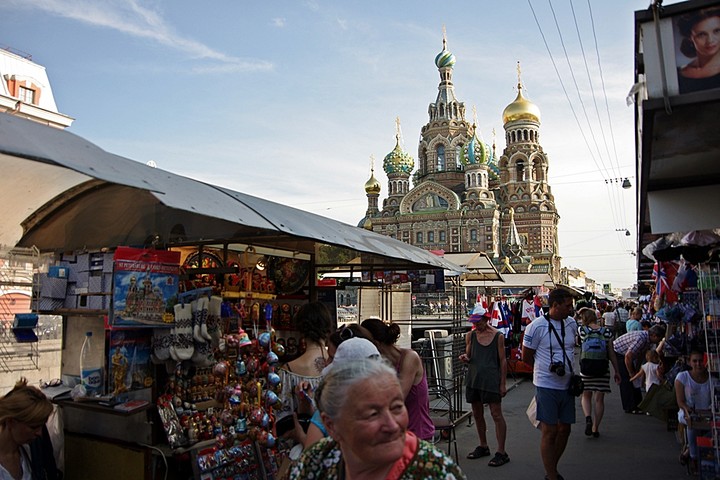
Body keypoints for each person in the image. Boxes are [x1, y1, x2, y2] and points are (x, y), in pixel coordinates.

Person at [289, 358, 466, 480]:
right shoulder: (318, 459)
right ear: (332, 426)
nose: (392, 425)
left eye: (397, 408)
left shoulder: (436, 471)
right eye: (372, 414)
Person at [521, 288, 577, 480]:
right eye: (568, 306)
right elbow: (526, 356)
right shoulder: (536, 326)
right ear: (555, 305)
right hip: (546, 385)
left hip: (568, 385)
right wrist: (545, 367)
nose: (571, 309)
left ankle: (551, 466)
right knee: (550, 430)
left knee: (565, 429)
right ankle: (552, 474)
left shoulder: (571, 324)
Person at [361, 318, 435, 441]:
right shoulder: (379, 363)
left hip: (417, 435)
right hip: (394, 435)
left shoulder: (410, 358)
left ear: (376, 344)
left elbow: (398, 397)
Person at [459, 303, 509, 466]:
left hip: (491, 381)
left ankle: (501, 451)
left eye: (478, 322)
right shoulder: (470, 336)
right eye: (474, 322)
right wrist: (465, 359)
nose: (476, 325)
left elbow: (502, 361)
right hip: (474, 380)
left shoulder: (497, 336)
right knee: (477, 413)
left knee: (496, 414)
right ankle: (483, 445)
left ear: (485, 319)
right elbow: (469, 356)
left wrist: (502, 383)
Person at [277, 302, 333, 425]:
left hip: (299, 439)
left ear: (301, 329)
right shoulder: (338, 367)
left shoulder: (288, 371)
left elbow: (282, 416)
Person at [0, 378, 58, 480]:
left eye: (41, 426)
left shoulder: (34, 450)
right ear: (10, 422)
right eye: (33, 427)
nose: (39, 433)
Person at [576, 307, 620, 438]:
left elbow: (573, 320)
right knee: (599, 400)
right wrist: (617, 371)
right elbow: (611, 354)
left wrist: (579, 312)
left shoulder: (582, 331)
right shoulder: (606, 332)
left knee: (586, 395)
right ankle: (595, 427)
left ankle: (588, 417)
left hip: (587, 369)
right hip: (602, 369)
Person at [613, 325, 666, 414]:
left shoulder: (647, 340)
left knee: (634, 380)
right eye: (659, 338)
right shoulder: (641, 339)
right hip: (619, 352)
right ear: (654, 336)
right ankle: (630, 406)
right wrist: (631, 372)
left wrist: (637, 369)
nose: (659, 341)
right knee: (627, 379)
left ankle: (638, 404)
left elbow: (641, 355)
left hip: (626, 354)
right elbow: (628, 356)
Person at [675, 349, 712, 475]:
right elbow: (680, 401)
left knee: (713, 430)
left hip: (708, 414)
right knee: (692, 424)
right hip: (689, 412)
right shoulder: (682, 377)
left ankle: (690, 449)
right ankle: (693, 457)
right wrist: (687, 410)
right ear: (690, 362)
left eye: (701, 361)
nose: (698, 364)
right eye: (695, 361)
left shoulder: (712, 379)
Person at [677, 7, 720, 94]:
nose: (710, 40)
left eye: (717, 31)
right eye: (702, 34)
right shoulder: (677, 76)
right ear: (690, 38)